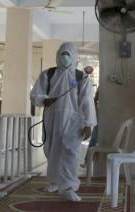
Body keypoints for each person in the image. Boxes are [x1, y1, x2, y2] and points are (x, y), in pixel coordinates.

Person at [30, 42, 97, 201]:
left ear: (74, 57)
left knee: (70, 153)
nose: (65, 57)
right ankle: (53, 182)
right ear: (57, 55)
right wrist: (43, 100)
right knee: (51, 151)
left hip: (74, 121)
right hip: (52, 118)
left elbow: (87, 101)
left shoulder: (81, 77)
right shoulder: (48, 74)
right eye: (62, 54)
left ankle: (68, 187)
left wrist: (88, 124)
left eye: (68, 54)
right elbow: (35, 94)